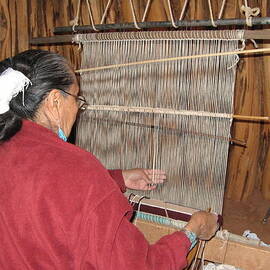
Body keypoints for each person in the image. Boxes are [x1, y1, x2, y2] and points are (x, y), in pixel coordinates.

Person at [0, 50, 218, 269]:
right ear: (55, 101)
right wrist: (191, 232)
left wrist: (115, 179)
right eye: (77, 98)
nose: (78, 109)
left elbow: (37, 189)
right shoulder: (78, 169)